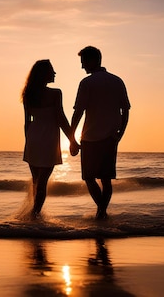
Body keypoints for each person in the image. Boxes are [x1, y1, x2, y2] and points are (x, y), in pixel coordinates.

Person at [70, 46, 130, 220]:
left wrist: (72, 136)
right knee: (106, 179)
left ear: (92, 61)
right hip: (110, 137)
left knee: (89, 178)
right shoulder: (117, 81)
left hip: (89, 137)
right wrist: (120, 134)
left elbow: (78, 112)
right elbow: (125, 111)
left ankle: (101, 212)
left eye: (83, 62)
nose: (82, 67)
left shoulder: (87, 83)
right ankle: (102, 212)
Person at [22, 59, 76, 219]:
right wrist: (72, 140)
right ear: (43, 74)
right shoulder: (55, 93)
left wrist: (28, 142)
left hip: (33, 138)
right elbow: (61, 118)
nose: (54, 73)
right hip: (48, 139)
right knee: (43, 181)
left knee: (36, 180)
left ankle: (33, 214)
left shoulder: (28, 94)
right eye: (51, 70)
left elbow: (26, 123)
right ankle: (35, 215)